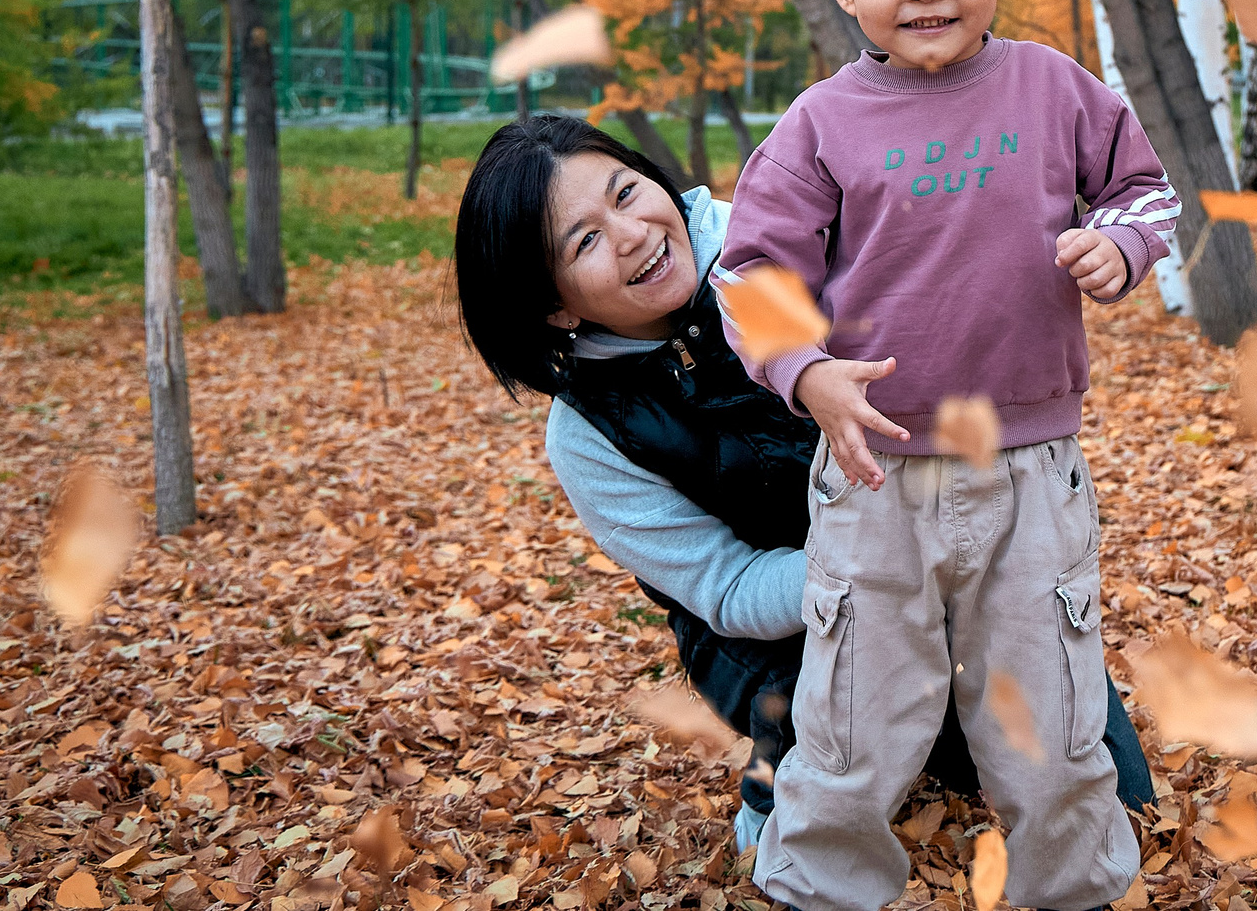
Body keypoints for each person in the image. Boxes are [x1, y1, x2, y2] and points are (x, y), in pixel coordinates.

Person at [450, 115, 1151, 858]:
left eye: (627, 192)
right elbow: (724, 584)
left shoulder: (789, 245)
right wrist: (868, 563)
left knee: (1119, 798)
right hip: (777, 628)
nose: (631, 232)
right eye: (585, 240)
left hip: (938, 543)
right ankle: (781, 783)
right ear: (554, 303)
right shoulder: (589, 433)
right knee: (825, 807)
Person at [717, 0, 1174, 911]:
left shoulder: (1057, 91)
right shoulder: (821, 125)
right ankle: (822, 887)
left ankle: (1070, 888)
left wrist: (1119, 244)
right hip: (876, 476)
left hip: (1030, 472)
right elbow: (750, 276)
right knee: (855, 718)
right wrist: (809, 376)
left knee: (1051, 718)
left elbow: (1145, 189)